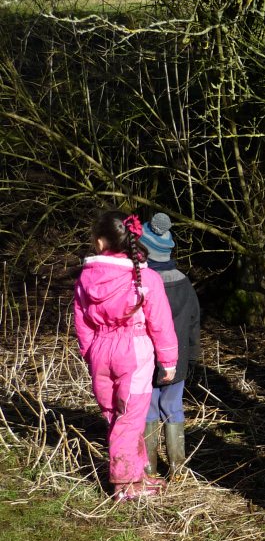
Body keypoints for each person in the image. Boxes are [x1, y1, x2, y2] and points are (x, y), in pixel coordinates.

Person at [73, 211, 178, 501]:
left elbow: (81, 320)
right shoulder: (147, 279)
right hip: (135, 351)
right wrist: (168, 361)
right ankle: (126, 484)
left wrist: (90, 352)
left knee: (116, 418)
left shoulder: (86, 279)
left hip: (100, 351)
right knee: (129, 419)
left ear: (99, 242)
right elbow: (161, 323)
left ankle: (138, 472)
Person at [139, 213, 201, 480]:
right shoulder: (184, 282)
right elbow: (193, 323)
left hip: (149, 358)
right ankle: (178, 469)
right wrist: (193, 357)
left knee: (149, 409)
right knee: (173, 408)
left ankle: (149, 468)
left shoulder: (142, 281)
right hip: (180, 360)